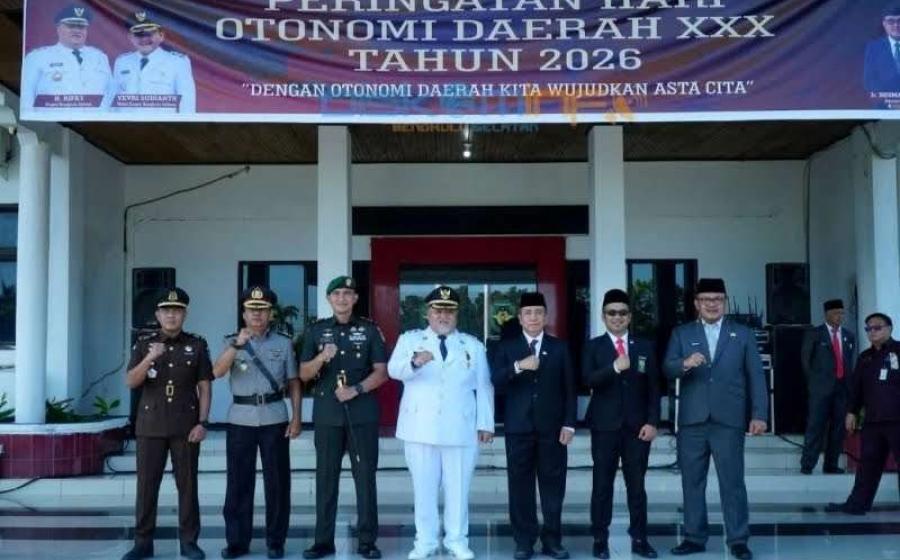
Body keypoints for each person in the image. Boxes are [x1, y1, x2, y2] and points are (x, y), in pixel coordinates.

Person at [663, 278, 768, 560]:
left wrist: (759, 414)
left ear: (725, 302)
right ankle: (694, 537)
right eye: (706, 299)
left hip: (729, 420)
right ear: (696, 303)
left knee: (732, 483)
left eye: (718, 299)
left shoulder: (742, 333)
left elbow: (756, 376)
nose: (712, 304)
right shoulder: (682, 333)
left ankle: (738, 539)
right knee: (692, 482)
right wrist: (685, 363)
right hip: (692, 421)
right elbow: (667, 368)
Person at [388, 285, 495, 560]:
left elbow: (484, 386)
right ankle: (424, 541)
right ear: (428, 313)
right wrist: (415, 362)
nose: (443, 316)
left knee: (458, 489)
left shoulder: (472, 345)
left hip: (461, 428)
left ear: (457, 315)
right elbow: (393, 370)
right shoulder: (410, 340)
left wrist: (486, 423)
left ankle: (457, 540)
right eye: (438, 311)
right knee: (423, 490)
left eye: (449, 311)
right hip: (420, 428)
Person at [299, 276, 388, 560]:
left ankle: (367, 541)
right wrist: (321, 358)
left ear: (355, 298)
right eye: (336, 293)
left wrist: (356, 389)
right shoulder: (315, 331)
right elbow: (303, 374)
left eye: (347, 293)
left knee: (365, 479)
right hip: (327, 416)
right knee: (326, 480)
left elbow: (382, 372)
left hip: (362, 415)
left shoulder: (370, 330)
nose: (342, 298)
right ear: (329, 298)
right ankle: (323, 541)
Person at [122, 288, 212, 560]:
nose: (172, 315)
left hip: (186, 426)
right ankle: (142, 543)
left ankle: (189, 542)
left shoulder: (197, 345)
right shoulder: (144, 344)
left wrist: (203, 422)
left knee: (188, 486)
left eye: (177, 311)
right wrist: (151, 357)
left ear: (185, 314)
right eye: (166, 311)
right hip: (150, 426)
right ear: (158, 315)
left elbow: (204, 387)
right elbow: (131, 382)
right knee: (146, 487)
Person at [214, 286, 302, 559]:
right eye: (252, 310)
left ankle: (276, 541)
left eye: (262, 310)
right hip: (241, 418)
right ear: (243, 313)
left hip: (275, 417)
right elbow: (217, 372)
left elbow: (293, 382)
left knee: (278, 482)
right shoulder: (231, 341)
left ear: (270, 313)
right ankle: (237, 541)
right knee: (239, 482)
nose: (257, 315)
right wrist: (237, 346)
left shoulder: (283, 343)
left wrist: (297, 417)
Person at [490, 292, 576, 560]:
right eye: (528, 313)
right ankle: (524, 541)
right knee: (520, 488)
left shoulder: (560, 347)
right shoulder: (507, 347)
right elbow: (496, 380)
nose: (533, 317)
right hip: (518, 429)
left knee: (553, 487)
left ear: (546, 317)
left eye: (538, 312)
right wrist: (518, 366)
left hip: (552, 429)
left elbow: (569, 389)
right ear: (520, 318)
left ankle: (552, 540)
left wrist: (569, 424)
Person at [582, 289, 660, 560]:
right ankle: (599, 539)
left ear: (630, 316)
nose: (617, 317)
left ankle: (639, 538)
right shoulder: (593, 346)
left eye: (622, 313)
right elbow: (587, 379)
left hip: (637, 429)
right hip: (604, 427)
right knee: (601, 486)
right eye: (612, 313)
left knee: (637, 487)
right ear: (603, 316)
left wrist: (653, 422)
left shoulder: (644, 346)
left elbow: (654, 388)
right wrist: (614, 368)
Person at [827, 313, 900, 515]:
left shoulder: (898, 351)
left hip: (897, 419)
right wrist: (851, 412)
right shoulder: (865, 357)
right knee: (867, 465)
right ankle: (857, 504)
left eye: (877, 327)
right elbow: (856, 389)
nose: (872, 332)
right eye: (868, 328)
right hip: (873, 421)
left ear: (889, 328)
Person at [800, 299, 856, 475]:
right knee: (815, 425)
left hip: (842, 388)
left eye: (841, 313)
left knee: (838, 427)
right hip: (820, 389)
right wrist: (814, 383)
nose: (839, 316)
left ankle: (831, 464)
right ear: (827, 314)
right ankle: (807, 464)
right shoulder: (815, 334)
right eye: (836, 313)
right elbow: (805, 360)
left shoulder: (848, 336)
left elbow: (849, 362)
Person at [20, 4, 111, 112]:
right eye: (71, 26)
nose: (77, 30)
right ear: (58, 28)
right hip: (56, 120)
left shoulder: (100, 57)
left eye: (81, 26)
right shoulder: (38, 57)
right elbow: (27, 96)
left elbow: (110, 93)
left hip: (96, 121)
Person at [109, 9, 196, 113]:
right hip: (126, 123)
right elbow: (114, 102)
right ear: (130, 37)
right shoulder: (122, 62)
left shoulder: (178, 62)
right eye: (138, 34)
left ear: (161, 36)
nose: (144, 39)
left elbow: (187, 106)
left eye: (149, 33)